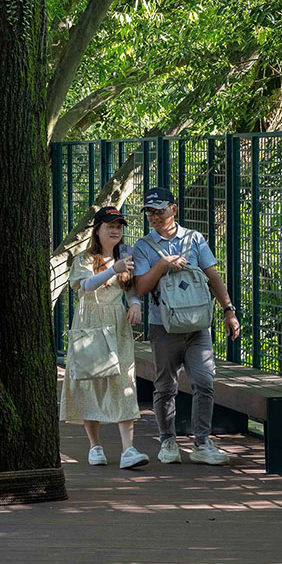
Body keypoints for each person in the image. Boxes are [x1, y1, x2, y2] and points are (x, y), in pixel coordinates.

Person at [131, 186, 241, 466]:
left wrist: (228, 310)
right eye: (150, 213)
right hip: (163, 327)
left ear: (174, 209)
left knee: (204, 381)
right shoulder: (144, 247)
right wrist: (163, 265)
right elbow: (141, 287)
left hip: (198, 326)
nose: (154, 217)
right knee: (165, 386)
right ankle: (167, 441)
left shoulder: (195, 240)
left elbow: (213, 276)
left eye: (160, 211)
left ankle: (202, 442)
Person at [60, 205, 149, 470]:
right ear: (97, 230)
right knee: (91, 381)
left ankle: (128, 449)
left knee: (124, 379)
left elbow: (130, 288)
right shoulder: (85, 259)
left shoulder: (127, 254)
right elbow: (85, 286)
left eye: (119, 227)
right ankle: (94, 446)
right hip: (90, 324)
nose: (115, 231)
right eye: (110, 226)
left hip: (117, 324)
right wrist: (112, 269)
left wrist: (135, 305)